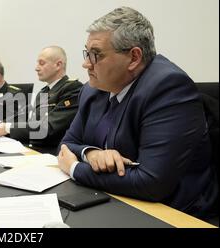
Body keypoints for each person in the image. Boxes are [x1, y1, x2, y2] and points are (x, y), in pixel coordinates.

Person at [57, 6, 218, 219]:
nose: (86, 64)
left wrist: (76, 168)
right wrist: (91, 153)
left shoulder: (168, 88)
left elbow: (151, 182)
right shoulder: (93, 89)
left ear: (133, 58)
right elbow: (65, 146)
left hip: (173, 212)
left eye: (96, 55)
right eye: (87, 53)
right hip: (113, 198)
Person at [0, 46, 83, 152]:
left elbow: (48, 128)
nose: (36, 68)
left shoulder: (72, 88)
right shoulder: (43, 92)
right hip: (34, 148)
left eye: (42, 63)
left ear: (58, 65)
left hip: (53, 153)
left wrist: (7, 128)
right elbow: (33, 126)